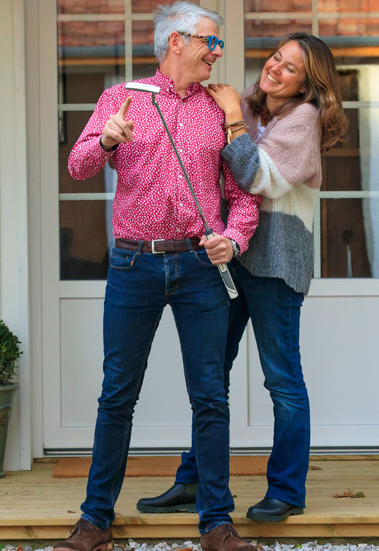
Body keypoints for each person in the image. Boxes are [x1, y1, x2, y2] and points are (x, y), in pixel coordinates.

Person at [54, 1, 263, 551]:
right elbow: (77, 167)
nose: (216, 54)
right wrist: (105, 140)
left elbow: (243, 196)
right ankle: (95, 521)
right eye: (210, 43)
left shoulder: (219, 108)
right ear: (177, 41)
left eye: (218, 45)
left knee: (210, 397)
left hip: (198, 266)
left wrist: (233, 239)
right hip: (132, 264)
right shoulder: (121, 99)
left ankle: (216, 523)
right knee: (117, 395)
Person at [136, 32, 349, 523]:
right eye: (277, 57)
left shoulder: (303, 119)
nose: (276, 68)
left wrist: (231, 113)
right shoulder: (251, 110)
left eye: (291, 68)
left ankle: (288, 490)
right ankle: (194, 481)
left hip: (275, 265)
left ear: (306, 84)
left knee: (282, 381)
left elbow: (256, 177)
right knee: (211, 379)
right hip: (228, 260)